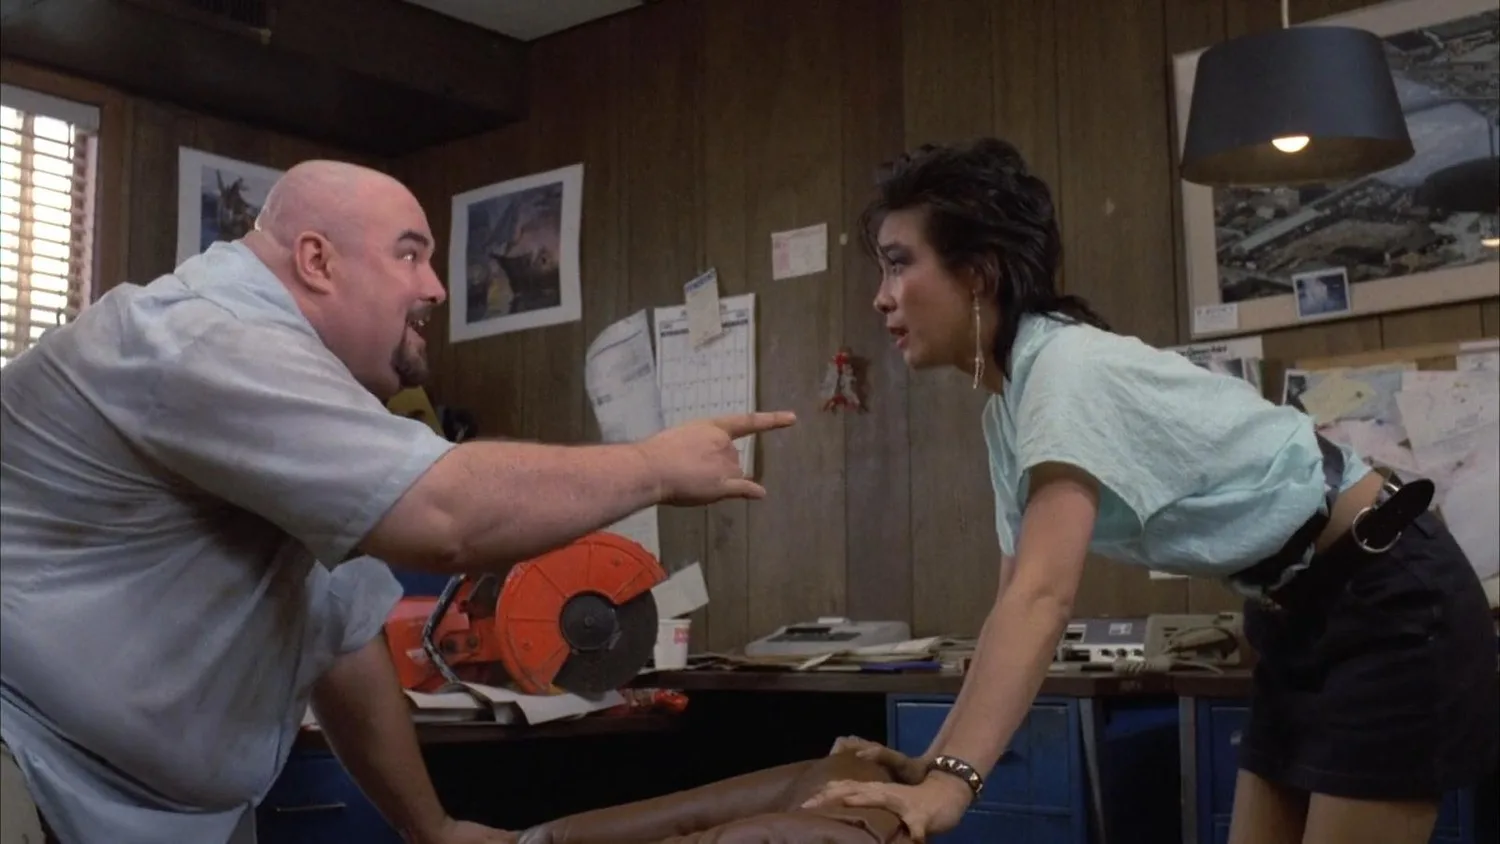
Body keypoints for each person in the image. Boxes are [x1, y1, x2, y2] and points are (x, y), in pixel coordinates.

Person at [0, 159, 796, 844]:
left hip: (164, 814)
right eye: (409, 254)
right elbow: (446, 517)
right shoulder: (203, 338)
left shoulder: (296, 402)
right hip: (28, 766)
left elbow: (341, 635)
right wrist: (653, 466)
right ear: (317, 260)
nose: (435, 288)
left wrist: (431, 828)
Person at [801, 138, 1497, 843]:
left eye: (899, 264)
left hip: (1389, 594)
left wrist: (955, 784)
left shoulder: (1064, 369)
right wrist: (932, 762)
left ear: (978, 274)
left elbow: (1044, 597)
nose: (881, 296)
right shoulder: (1009, 407)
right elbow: (1011, 605)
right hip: (1296, 612)